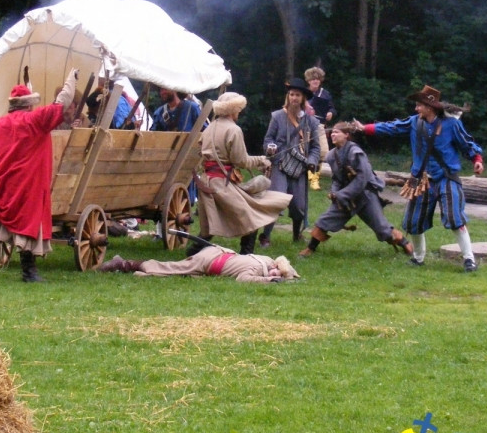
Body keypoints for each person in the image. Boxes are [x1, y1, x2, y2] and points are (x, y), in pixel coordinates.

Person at [354, 84, 484, 272]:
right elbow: (392, 127)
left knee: (455, 218)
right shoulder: (415, 122)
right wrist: (365, 128)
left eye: (419, 105)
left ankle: (469, 259)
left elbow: (467, 143)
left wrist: (477, 160)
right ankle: (418, 258)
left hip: (446, 177)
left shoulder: (452, 124)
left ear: (429, 107)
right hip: (420, 179)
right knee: (414, 221)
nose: (416, 108)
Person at [0, 69, 79, 283]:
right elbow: (62, 102)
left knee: (2, 203)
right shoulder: (36, 119)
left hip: (3, 183)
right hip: (29, 184)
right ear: (29, 105)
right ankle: (29, 272)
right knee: (28, 224)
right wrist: (71, 80)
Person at [191, 91, 291, 256]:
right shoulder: (234, 130)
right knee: (250, 217)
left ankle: (193, 252)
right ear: (232, 109)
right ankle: (246, 255)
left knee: (210, 223)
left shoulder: (209, 128)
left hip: (207, 180)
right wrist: (261, 160)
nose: (239, 112)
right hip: (222, 183)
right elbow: (241, 161)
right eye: (238, 109)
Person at [299, 122, 412, 258]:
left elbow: (362, 179)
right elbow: (336, 179)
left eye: (337, 132)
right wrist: (335, 192)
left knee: (382, 229)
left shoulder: (356, 152)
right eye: (332, 132)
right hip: (345, 198)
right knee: (325, 220)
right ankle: (311, 248)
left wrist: (343, 194)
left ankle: (405, 243)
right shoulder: (331, 155)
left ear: (347, 135)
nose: (333, 134)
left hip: (365, 195)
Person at [260, 78, 321, 246]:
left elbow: (316, 147)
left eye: (297, 95)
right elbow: (268, 140)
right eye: (292, 94)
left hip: (300, 167)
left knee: (299, 206)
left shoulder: (311, 121)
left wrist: (311, 161)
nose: (294, 98)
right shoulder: (277, 117)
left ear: (303, 99)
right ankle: (265, 236)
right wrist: (270, 149)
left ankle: (296, 234)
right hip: (280, 164)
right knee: (276, 201)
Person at [96, 244, 299, 283]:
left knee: (180, 273)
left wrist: (291, 276)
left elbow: (285, 266)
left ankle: (132, 268)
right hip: (210, 260)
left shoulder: (267, 260)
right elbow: (243, 279)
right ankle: (124, 264)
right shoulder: (258, 267)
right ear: (273, 268)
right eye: (277, 273)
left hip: (217, 254)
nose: (276, 275)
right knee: (169, 268)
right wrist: (268, 281)